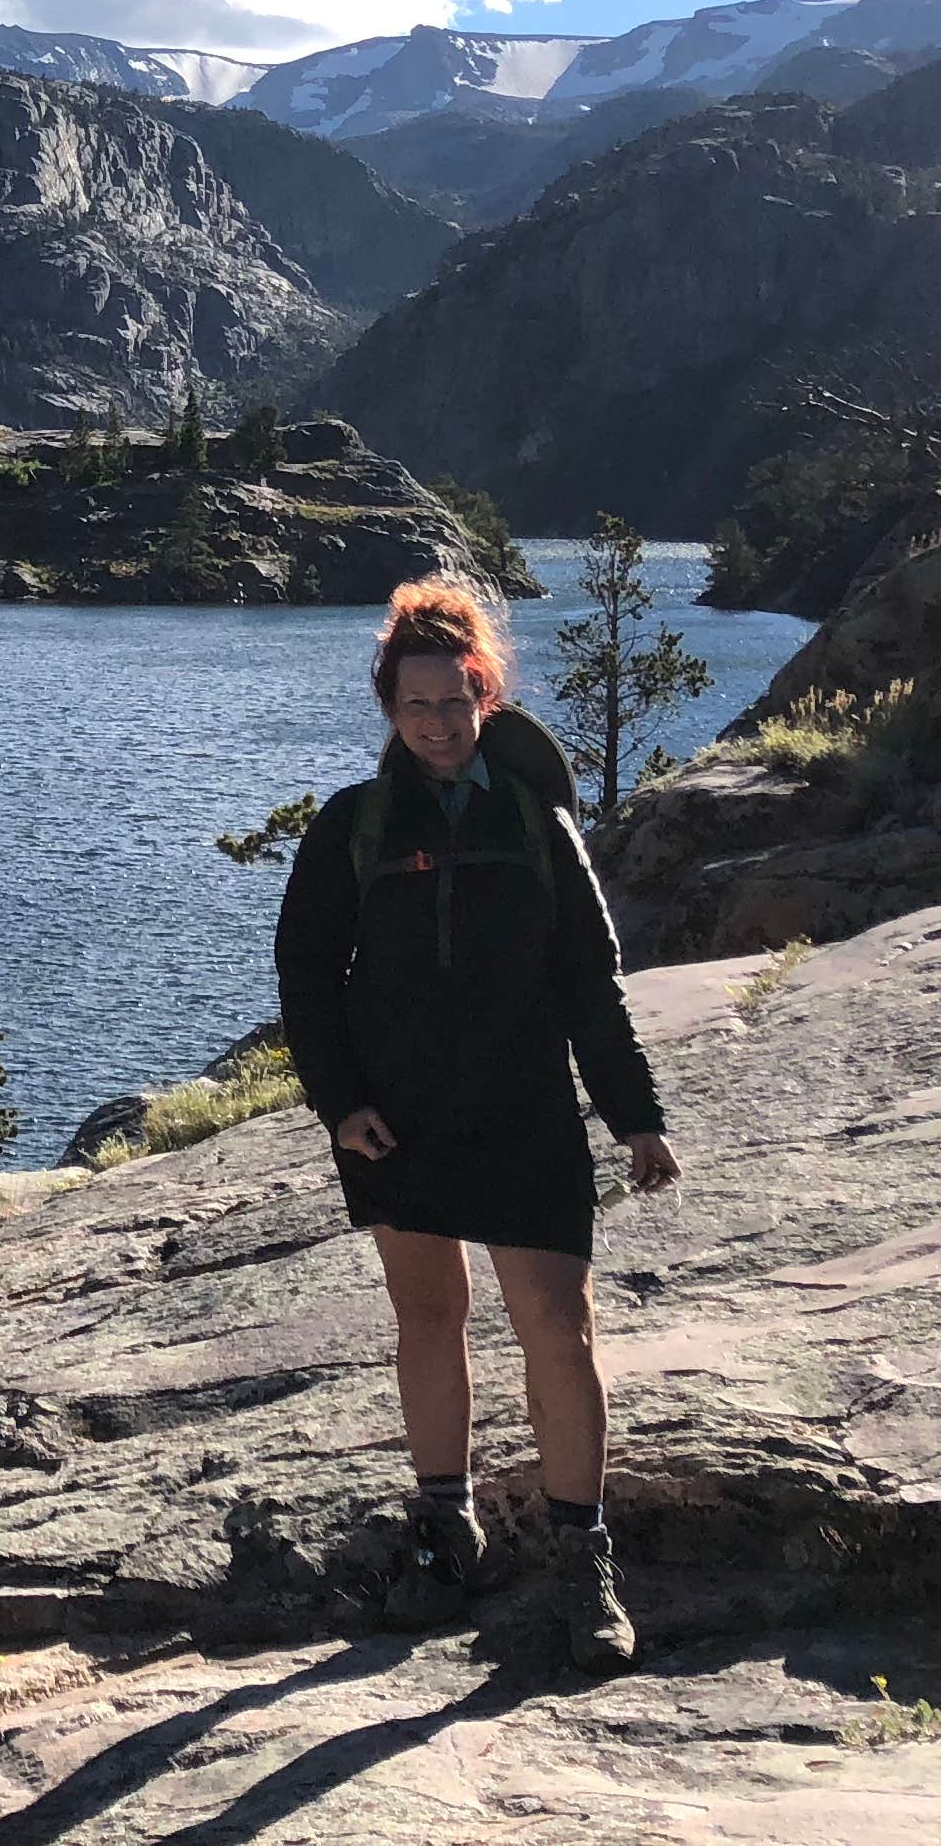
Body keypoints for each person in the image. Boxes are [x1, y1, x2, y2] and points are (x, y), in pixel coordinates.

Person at [272, 575, 680, 1669]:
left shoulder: (540, 825)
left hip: (524, 1107)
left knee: (558, 1325)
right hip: (399, 1118)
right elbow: (306, 975)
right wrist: (340, 1102)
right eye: (417, 708)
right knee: (428, 1316)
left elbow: (593, 982)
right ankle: (446, 1531)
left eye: (455, 702)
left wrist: (634, 1114)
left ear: (485, 694)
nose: (439, 724)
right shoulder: (352, 828)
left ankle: (581, 1561)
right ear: (389, 711)